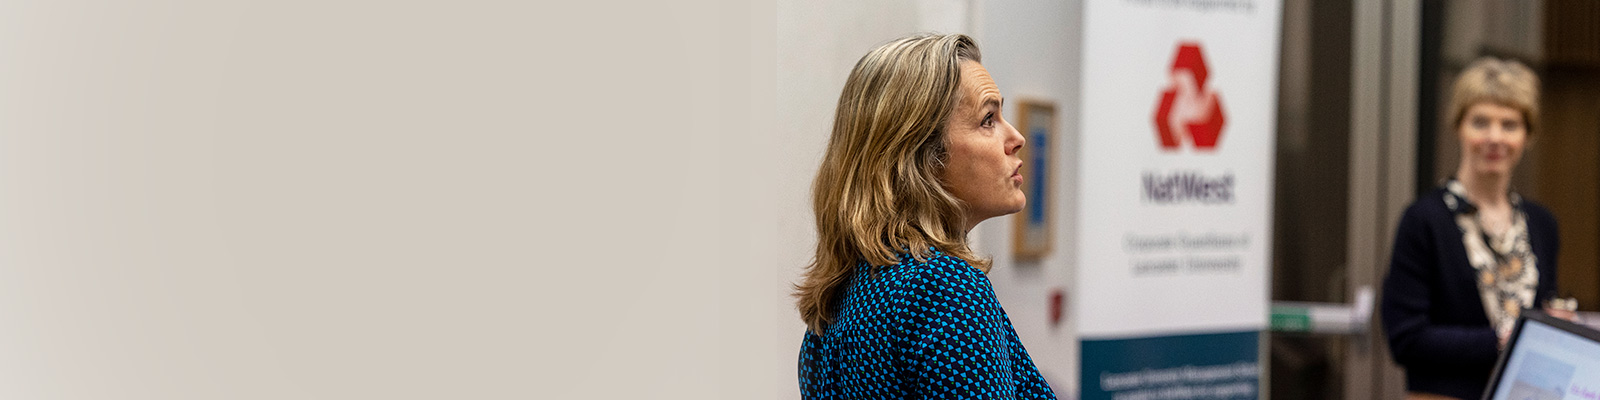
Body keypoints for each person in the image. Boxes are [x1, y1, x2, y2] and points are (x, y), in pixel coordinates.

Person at [793, 33, 1055, 399]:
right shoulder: (944, 289)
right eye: (988, 119)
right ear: (920, 156)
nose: (1016, 137)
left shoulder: (837, 303)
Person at [1381, 57, 1572, 400]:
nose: (1495, 137)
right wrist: (1503, 339)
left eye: (1510, 125)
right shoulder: (1424, 220)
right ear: (1459, 127)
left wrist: (1554, 327)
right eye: (1481, 122)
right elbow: (1405, 338)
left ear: (1527, 136)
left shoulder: (1542, 224)